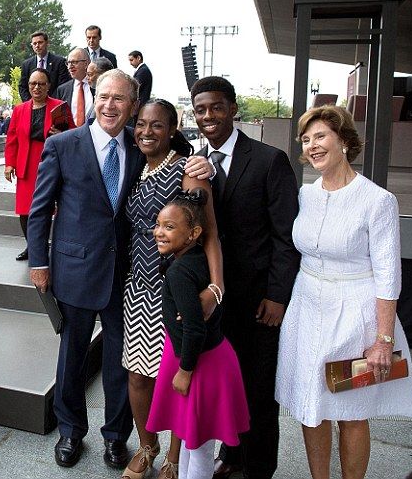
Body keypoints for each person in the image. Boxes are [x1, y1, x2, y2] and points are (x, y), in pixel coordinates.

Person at [276, 105, 412, 479]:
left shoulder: (377, 200)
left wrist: (383, 340)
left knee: (352, 411)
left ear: (343, 141)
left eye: (320, 136)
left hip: (355, 317)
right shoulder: (305, 194)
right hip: (306, 310)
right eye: (306, 140)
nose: (312, 146)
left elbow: (388, 275)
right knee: (310, 406)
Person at [27, 69, 142, 470]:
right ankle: (70, 431)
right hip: (74, 268)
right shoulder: (63, 144)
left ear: (133, 106)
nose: (110, 105)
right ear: (94, 98)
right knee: (72, 357)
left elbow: (180, 152)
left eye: (119, 98)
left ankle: (116, 437)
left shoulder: (140, 145)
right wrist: (38, 262)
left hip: (125, 274)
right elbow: (40, 208)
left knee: (120, 361)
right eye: (104, 96)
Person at [190, 76, 300, 479]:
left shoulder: (270, 160)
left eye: (216, 107)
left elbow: (286, 236)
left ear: (233, 109)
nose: (208, 116)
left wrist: (278, 295)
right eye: (200, 109)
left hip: (258, 302)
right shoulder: (195, 161)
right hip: (214, 301)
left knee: (257, 390)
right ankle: (232, 454)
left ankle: (258, 468)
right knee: (224, 386)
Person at [121, 99, 220, 479]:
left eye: (157, 125)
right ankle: (147, 446)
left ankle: (174, 459)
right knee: (137, 376)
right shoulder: (136, 166)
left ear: (172, 129)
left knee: (178, 379)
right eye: (141, 124)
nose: (147, 131)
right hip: (137, 288)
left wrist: (216, 288)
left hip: (176, 294)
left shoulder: (188, 170)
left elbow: (210, 235)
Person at [146, 191, 249, 479]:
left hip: (200, 365)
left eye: (169, 227)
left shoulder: (180, 272)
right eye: (158, 224)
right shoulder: (197, 260)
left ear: (193, 234)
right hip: (211, 357)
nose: (159, 232)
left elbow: (194, 327)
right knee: (191, 436)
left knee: (199, 444)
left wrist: (185, 371)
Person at [4, 68, 69, 261]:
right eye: (33, 84)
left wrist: (62, 134)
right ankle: (32, 247)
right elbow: (12, 139)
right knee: (25, 210)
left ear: (48, 86)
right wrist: (9, 164)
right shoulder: (19, 109)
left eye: (41, 83)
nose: (36, 87)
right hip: (26, 163)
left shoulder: (60, 107)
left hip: (50, 163)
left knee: (45, 208)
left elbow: (73, 133)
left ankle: (42, 246)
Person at [18, 31, 69, 102]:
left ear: (47, 43)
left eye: (40, 42)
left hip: (54, 104)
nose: (37, 46)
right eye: (34, 43)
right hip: (33, 105)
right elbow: (23, 87)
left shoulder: (60, 62)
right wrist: (32, 103)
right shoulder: (26, 64)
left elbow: (62, 86)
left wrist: (50, 102)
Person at [53, 48, 94, 128]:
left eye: (74, 62)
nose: (70, 66)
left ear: (86, 64)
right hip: (70, 134)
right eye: (68, 63)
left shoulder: (97, 86)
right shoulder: (62, 90)